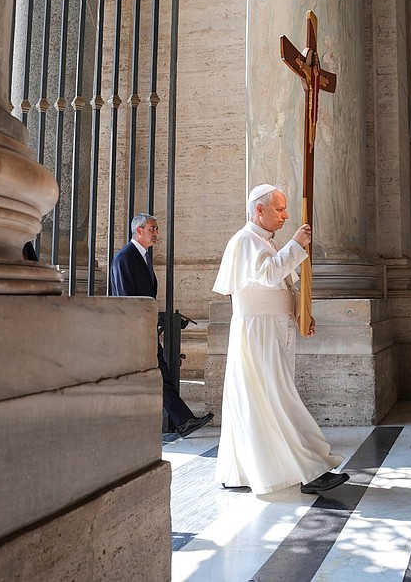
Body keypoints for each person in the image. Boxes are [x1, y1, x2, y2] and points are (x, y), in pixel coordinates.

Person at [212, 184, 348, 494]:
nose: (285, 215)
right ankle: (311, 471)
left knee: (262, 400)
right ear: (259, 210)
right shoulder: (244, 241)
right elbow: (270, 275)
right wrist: (296, 244)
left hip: (273, 327)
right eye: (279, 209)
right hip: (258, 332)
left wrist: (302, 312)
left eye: (285, 209)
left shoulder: (265, 241)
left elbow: (284, 286)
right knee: (275, 397)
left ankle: (243, 471)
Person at [110, 213, 213, 438]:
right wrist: (140, 328)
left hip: (144, 328)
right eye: (152, 229)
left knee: (159, 373)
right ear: (139, 231)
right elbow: (127, 299)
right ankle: (181, 421)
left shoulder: (143, 257)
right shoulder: (124, 258)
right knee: (154, 374)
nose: (156, 233)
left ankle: (183, 421)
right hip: (135, 330)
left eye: (156, 229)